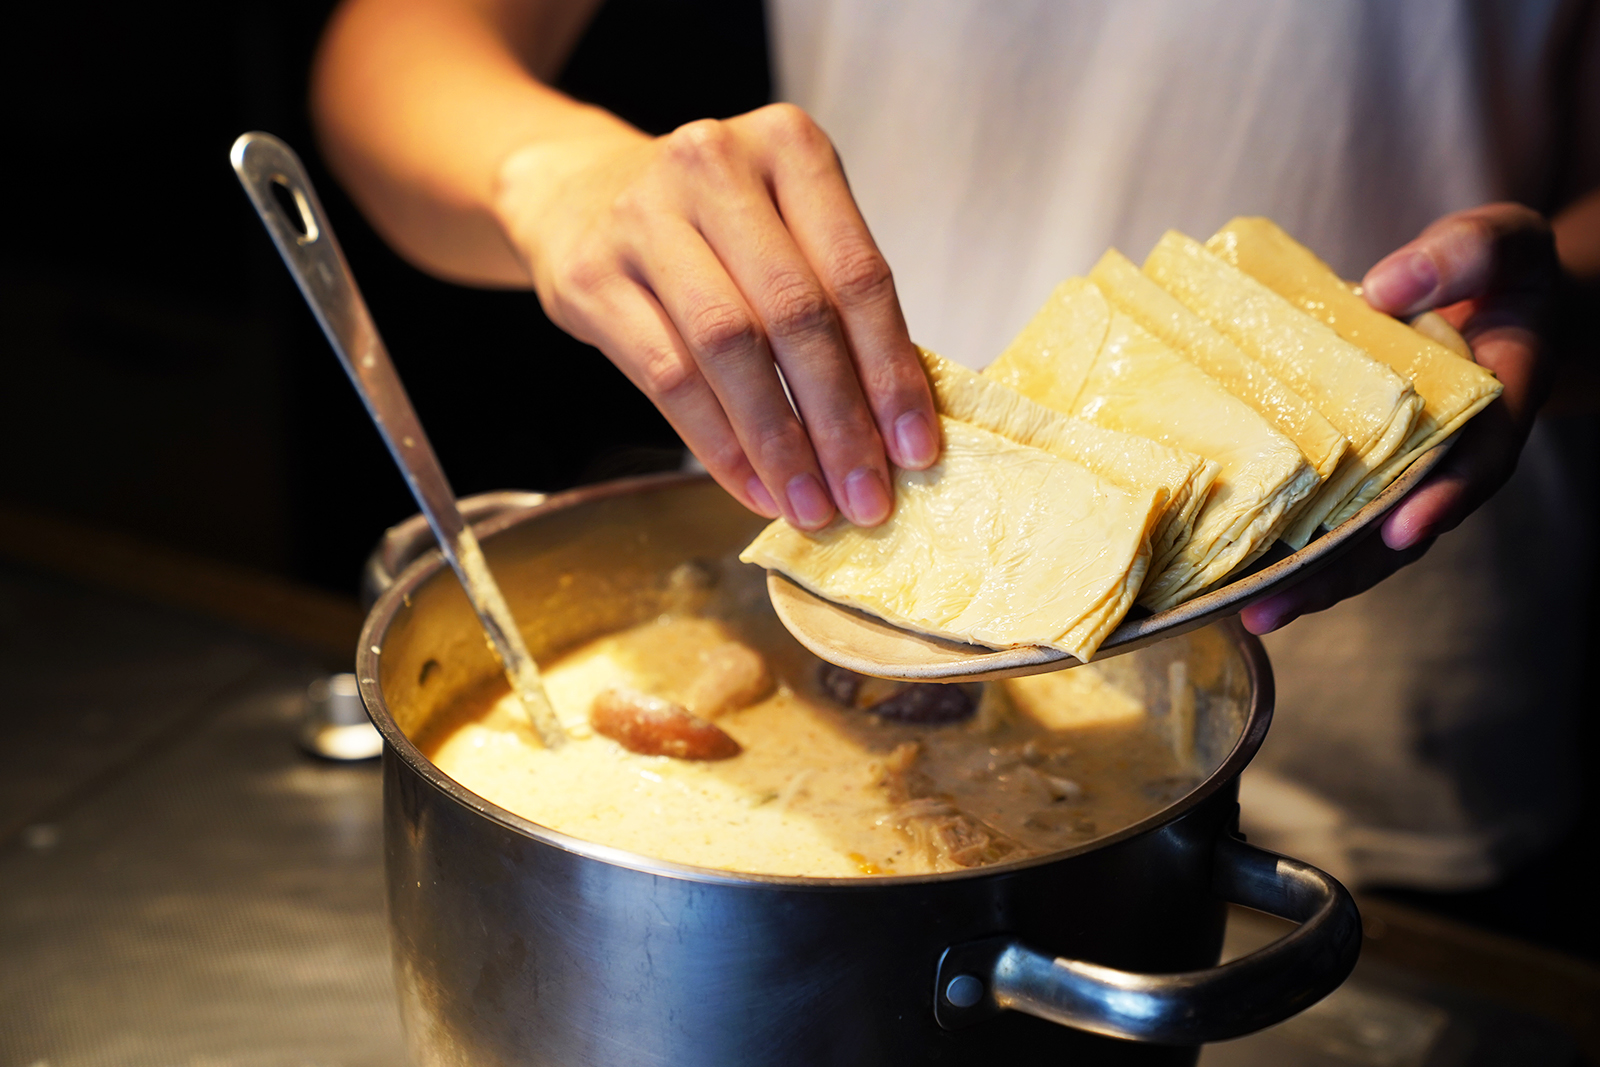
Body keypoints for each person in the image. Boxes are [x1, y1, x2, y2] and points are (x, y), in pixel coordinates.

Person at [310, 0, 1598, 889]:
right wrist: (553, 173)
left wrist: (1552, 310)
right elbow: (394, 52)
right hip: (843, 531)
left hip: (1400, 750)